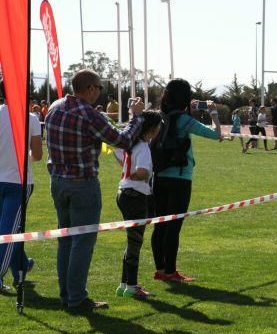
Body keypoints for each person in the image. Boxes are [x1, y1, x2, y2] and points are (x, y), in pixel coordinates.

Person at [45, 69, 145, 311]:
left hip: (58, 182)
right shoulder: (88, 114)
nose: (100, 92)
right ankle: (77, 298)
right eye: (99, 88)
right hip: (83, 184)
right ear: (90, 88)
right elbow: (123, 141)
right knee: (83, 242)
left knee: (66, 241)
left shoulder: (54, 107)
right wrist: (137, 117)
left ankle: (67, 295)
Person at [151, 78, 222, 284]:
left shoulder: (160, 116)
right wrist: (214, 113)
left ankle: (161, 269)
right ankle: (171, 271)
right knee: (174, 225)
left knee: (160, 224)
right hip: (180, 177)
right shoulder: (184, 119)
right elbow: (216, 134)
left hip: (159, 175)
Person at [113, 111, 162, 299]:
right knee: (135, 243)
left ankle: (124, 283)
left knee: (131, 241)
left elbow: (118, 153)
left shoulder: (131, 145)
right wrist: (138, 175)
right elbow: (141, 172)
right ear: (152, 129)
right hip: (135, 196)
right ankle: (132, 286)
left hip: (123, 193)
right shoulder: (143, 148)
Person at [0, 80, 43, 292]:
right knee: (9, 230)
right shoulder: (31, 118)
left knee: (9, 228)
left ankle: (21, 267)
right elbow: (37, 155)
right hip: (18, 181)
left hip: (4, 179)